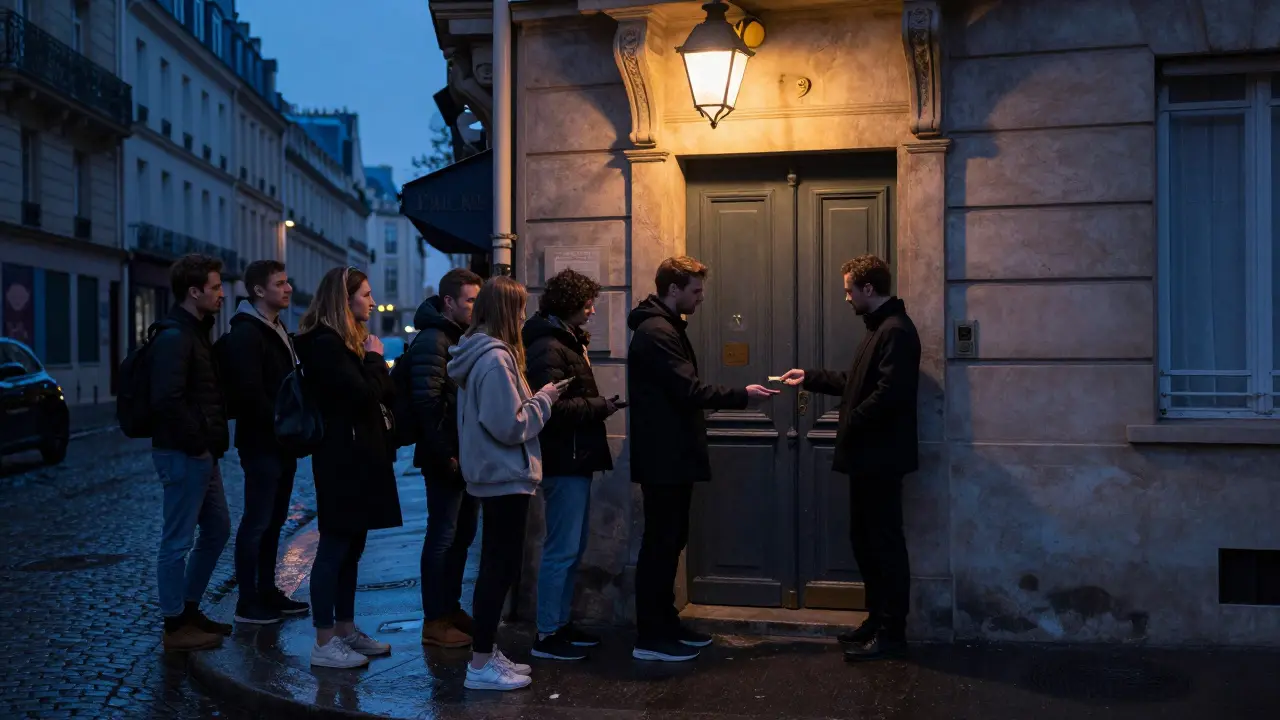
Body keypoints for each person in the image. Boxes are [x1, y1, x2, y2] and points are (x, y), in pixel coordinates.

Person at [626, 256, 778, 662]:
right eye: (695, 290)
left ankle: (664, 622)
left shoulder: (665, 326)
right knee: (661, 544)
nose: (702, 296)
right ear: (672, 289)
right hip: (664, 457)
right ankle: (651, 636)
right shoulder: (657, 331)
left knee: (670, 540)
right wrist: (741, 395)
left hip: (671, 455)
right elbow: (688, 390)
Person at [779, 255, 920, 662]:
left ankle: (892, 633)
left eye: (848, 290)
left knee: (883, 544)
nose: (846, 298)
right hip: (869, 456)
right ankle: (877, 622)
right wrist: (811, 376)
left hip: (879, 457)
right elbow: (856, 383)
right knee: (867, 540)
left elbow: (889, 394)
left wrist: (851, 422)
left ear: (868, 289)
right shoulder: (880, 329)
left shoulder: (895, 331)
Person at [447, 276, 563, 691]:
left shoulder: (483, 353)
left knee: (497, 566)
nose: (524, 316)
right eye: (519, 308)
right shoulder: (495, 359)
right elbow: (509, 424)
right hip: (503, 475)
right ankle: (480, 665)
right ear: (505, 312)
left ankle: (485, 653)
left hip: (495, 474)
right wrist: (545, 399)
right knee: (498, 569)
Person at [294, 267, 403, 668]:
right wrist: (376, 360)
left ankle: (345, 629)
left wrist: (374, 364)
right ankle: (324, 641)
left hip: (360, 456)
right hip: (342, 459)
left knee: (352, 548)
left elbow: (379, 393)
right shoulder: (326, 345)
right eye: (366, 295)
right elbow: (362, 395)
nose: (372, 302)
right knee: (335, 547)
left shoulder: (345, 343)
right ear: (345, 300)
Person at [523, 269, 619, 661]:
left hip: (574, 456)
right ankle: (547, 633)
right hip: (564, 458)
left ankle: (560, 624)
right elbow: (553, 409)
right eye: (587, 304)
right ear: (569, 305)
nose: (593, 310)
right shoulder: (549, 346)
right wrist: (600, 406)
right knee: (562, 549)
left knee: (572, 547)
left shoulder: (564, 340)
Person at [150, 254, 232, 652]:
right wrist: (198, 440)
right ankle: (174, 624)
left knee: (217, 529)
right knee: (177, 540)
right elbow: (167, 398)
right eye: (215, 287)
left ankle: (189, 607)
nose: (221, 294)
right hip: (184, 453)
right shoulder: (175, 336)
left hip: (202, 453)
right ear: (193, 291)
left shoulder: (197, 331)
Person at [224, 260, 309, 625]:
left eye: (287, 282)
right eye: (280, 283)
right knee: (257, 520)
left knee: (274, 520)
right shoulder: (247, 333)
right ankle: (247, 600)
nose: (288, 288)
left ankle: (267, 590)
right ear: (259, 291)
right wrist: (279, 423)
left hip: (281, 441)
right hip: (262, 442)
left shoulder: (277, 329)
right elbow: (248, 393)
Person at [408, 267, 484, 648]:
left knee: (462, 535)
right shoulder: (434, 339)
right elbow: (426, 402)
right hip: (446, 457)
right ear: (449, 301)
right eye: (471, 300)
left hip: (463, 454)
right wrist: (447, 455)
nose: (476, 306)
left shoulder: (459, 335)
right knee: (442, 536)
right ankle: (434, 621)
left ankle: (450, 610)